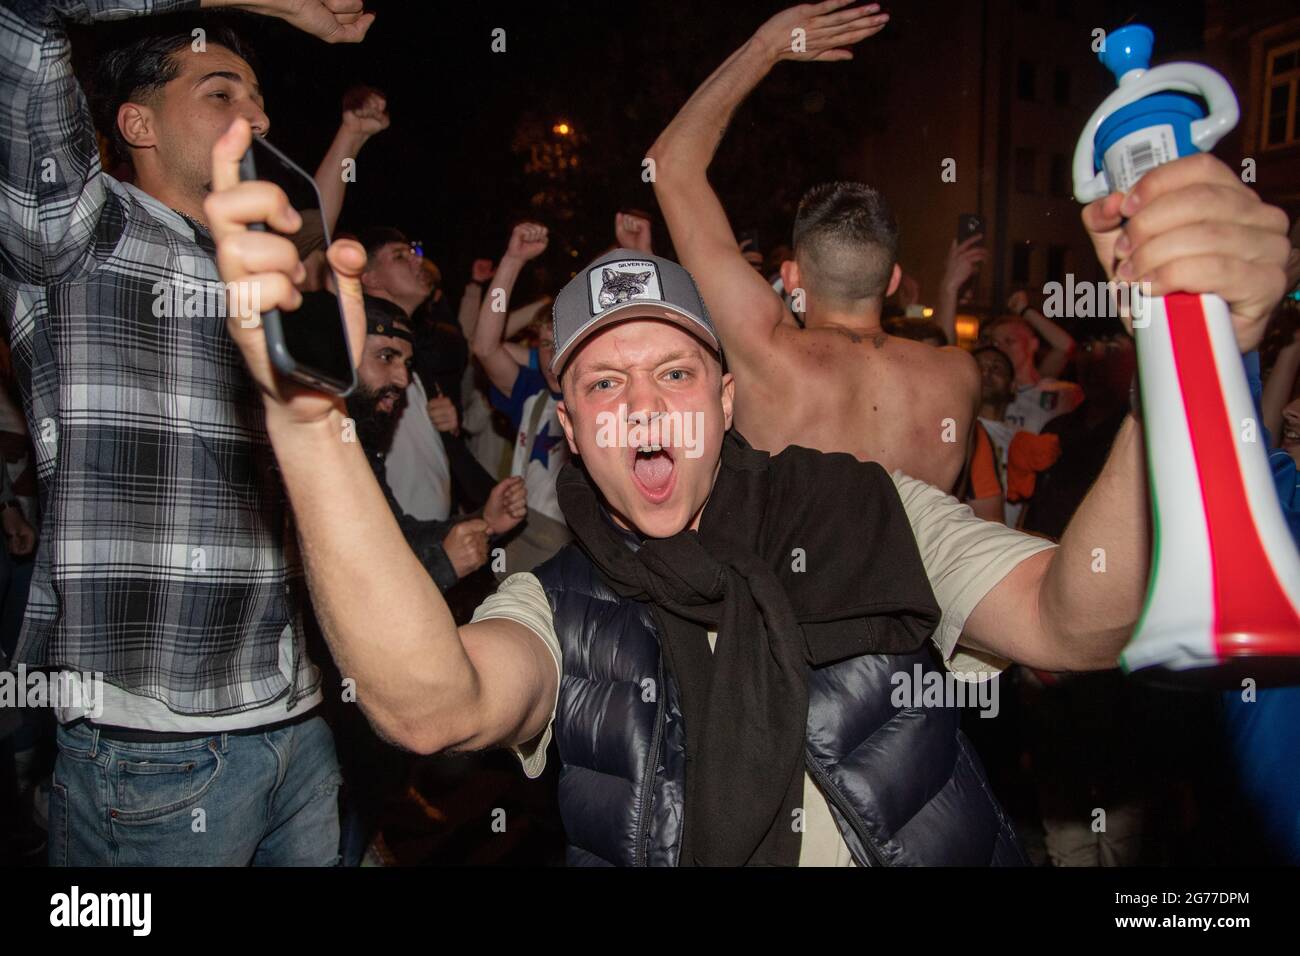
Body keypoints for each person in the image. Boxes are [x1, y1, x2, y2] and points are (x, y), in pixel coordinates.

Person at [209, 108, 1290, 864]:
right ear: (572, 431)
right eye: (605, 382)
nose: (644, 405)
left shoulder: (866, 508)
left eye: (675, 370)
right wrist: (307, 424)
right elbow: (429, 704)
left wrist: (1178, 365)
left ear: (725, 402)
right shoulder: (557, 600)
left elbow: (1079, 621)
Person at [0, 0, 373, 867]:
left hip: (297, 717)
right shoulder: (81, 237)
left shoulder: (254, 274)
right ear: (135, 123)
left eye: (261, 96)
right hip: (153, 748)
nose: (259, 115)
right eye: (220, 90)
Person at [646, 1, 979, 492]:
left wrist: (765, 47)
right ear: (891, 280)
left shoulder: (768, 352)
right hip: (917, 573)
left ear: (793, 277)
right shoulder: (959, 374)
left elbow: (670, 165)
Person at [471, 223, 572, 573]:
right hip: (523, 541)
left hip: (584, 551)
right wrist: (513, 260)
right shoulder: (532, 392)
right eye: (543, 344)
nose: (549, 354)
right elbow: (484, 347)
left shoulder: (609, 397)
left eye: (558, 344)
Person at [980, 294, 1084, 434]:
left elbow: (1067, 346)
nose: (1000, 349)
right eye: (995, 343)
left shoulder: (1061, 393)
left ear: (1033, 344)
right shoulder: (987, 393)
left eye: (1009, 341)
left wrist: (1025, 310)